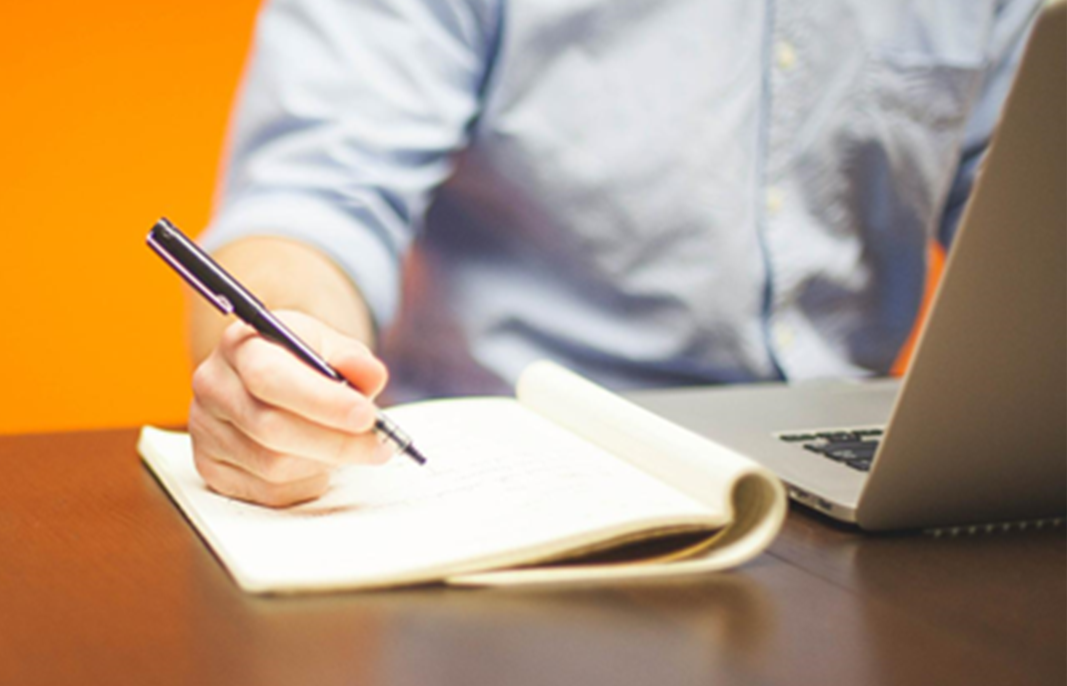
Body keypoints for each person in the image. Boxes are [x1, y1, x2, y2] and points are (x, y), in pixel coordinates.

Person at [185, 0, 1041, 507]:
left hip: (866, 493)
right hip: (512, 493)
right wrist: (286, 357)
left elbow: (1029, 208)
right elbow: (314, 196)